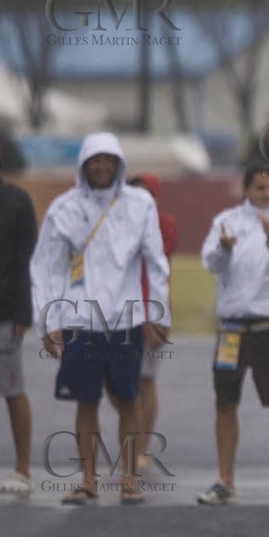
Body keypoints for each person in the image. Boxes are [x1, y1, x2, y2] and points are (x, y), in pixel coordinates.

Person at [29, 132, 171, 506]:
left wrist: (160, 313)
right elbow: (45, 266)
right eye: (96, 160)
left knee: (128, 399)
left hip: (126, 320)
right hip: (80, 321)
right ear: (85, 165)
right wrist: (48, 321)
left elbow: (156, 262)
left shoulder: (140, 204)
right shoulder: (64, 209)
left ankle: (129, 478)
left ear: (119, 164)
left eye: (109, 160)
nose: (102, 166)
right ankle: (88, 479)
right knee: (85, 402)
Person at [194, 165, 269, 505]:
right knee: (225, 402)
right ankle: (225, 480)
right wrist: (224, 249)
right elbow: (210, 263)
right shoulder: (226, 221)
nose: (267, 194)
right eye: (260, 188)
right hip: (231, 328)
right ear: (246, 189)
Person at [110, 173, 176, 477]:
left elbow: (158, 268)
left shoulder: (164, 225)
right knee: (117, 382)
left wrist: (158, 317)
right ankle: (133, 439)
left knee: (145, 381)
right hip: (119, 311)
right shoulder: (118, 223)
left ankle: (139, 449)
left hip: (150, 310)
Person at [0, 128, 37, 497]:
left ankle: (22, 471)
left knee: (12, 390)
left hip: (3, 313)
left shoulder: (17, 202)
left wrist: (23, 312)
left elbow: (25, 260)